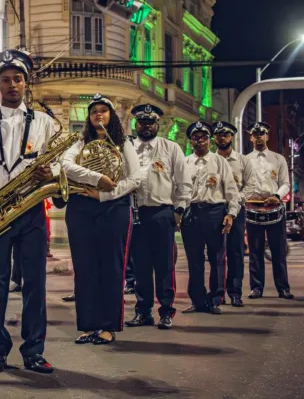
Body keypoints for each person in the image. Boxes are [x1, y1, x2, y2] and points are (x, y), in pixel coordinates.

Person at [0, 50, 57, 374]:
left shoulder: (45, 122)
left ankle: (33, 351)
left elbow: (57, 162)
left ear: (26, 82)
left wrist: (53, 174)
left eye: (17, 78)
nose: (12, 84)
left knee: (35, 285)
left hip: (32, 210)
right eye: (6, 80)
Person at [63, 93, 140, 346]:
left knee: (112, 268)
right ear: (89, 116)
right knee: (84, 270)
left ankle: (108, 327)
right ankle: (87, 325)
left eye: (103, 110)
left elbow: (135, 178)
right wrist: (96, 178)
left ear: (111, 115)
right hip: (80, 207)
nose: (98, 114)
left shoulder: (123, 142)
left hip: (112, 208)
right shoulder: (79, 141)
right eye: (94, 110)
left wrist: (105, 193)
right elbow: (65, 165)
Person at [125, 104, 191, 330]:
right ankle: (143, 312)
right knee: (140, 266)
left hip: (162, 213)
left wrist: (179, 209)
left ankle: (166, 311)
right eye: (141, 122)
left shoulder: (170, 148)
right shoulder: (128, 147)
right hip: (135, 213)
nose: (146, 126)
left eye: (150, 122)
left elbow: (184, 182)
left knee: (164, 265)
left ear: (157, 124)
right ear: (136, 124)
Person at [181, 121, 239, 315]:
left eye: (204, 137)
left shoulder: (219, 162)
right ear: (191, 141)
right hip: (192, 213)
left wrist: (231, 214)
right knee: (194, 260)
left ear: (209, 140)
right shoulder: (185, 162)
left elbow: (231, 190)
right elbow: (178, 189)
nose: (200, 141)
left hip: (215, 212)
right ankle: (197, 300)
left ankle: (215, 299)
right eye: (196, 138)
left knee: (217, 258)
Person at [243, 122, 293, 300]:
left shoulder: (278, 159)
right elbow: (240, 184)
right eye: (255, 135)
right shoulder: (245, 160)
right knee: (255, 251)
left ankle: (283, 288)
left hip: (275, 208)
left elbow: (285, 184)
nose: (258, 137)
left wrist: (277, 196)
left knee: (278, 251)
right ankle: (256, 288)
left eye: (261, 134)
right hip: (252, 208)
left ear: (267, 136)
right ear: (251, 137)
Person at [213, 121, 252, 307]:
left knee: (235, 252)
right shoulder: (210, 159)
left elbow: (251, 184)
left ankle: (235, 292)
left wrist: (237, 199)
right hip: (216, 209)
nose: (222, 137)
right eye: (218, 134)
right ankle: (217, 294)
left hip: (237, 210)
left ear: (231, 137)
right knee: (217, 253)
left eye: (225, 135)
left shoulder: (243, 161)